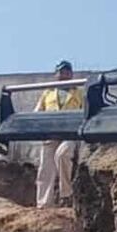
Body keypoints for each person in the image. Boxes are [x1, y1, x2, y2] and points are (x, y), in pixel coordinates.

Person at [34, 60, 83, 208]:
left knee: (63, 155)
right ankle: (43, 204)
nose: (65, 74)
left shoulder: (78, 93)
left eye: (68, 71)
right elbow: (37, 113)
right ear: (56, 74)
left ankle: (66, 195)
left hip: (70, 134)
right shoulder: (47, 93)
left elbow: (85, 113)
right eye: (62, 72)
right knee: (45, 169)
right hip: (50, 134)